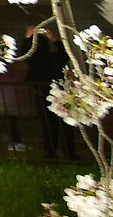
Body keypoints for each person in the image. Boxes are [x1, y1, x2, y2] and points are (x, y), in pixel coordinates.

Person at [30, 22, 78, 160]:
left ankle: (62, 152)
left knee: (56, 124)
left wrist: (54, 40)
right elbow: (28, 55)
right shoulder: (41, 59)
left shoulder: (52, 57)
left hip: (55, 92)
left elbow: (65, 54)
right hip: (49, 92)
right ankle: (58, 152)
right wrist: (31, 39)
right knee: (54, 124)